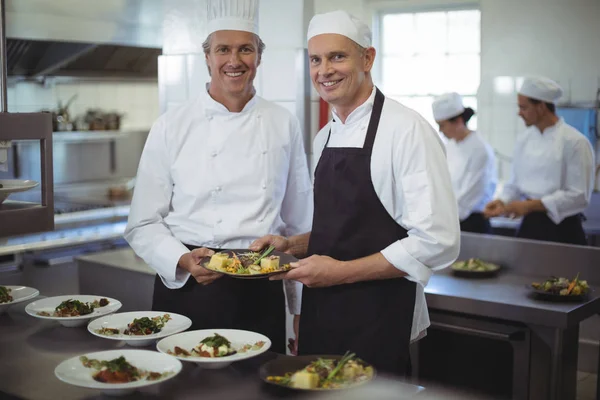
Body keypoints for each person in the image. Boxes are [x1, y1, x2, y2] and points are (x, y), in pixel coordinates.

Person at [251, 10, 460, 375]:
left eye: (337, 56)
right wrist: (292, 245)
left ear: (368, 58)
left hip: (378, 316)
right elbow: (349, 229)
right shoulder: (325, 136)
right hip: (321, 310)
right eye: (316, 59)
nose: (324, 70)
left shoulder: (407, 130)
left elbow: (438, 240)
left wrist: (341, 273)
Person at [124, 0, 313, 354]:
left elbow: (300, 225)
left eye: (246, 49)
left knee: (258, 387)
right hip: (193, 286)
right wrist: (182, 260)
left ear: (259, 56)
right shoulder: (171, 125)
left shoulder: (282, 122)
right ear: (207, 56)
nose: (235, 60)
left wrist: (300, 311)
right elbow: (142, 223)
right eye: (223, 49)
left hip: (262, 287)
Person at [484, 77, 595, 245]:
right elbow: (514, 183)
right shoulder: (524, 140)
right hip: (530, 226)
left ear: (541, 107)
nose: (519, 112)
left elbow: (579, 196)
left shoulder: (575, 142)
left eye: (524, 107)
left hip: (563, 229)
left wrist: (529, 206)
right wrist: (502, 201)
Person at [432, 93, 497, 234]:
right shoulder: (450, 145)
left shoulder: (480, 150)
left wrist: (439, 219)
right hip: (451, 219)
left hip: (472, 223)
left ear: (458, 121)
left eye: (442, 125)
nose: (440, 131)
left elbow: (468, 197)